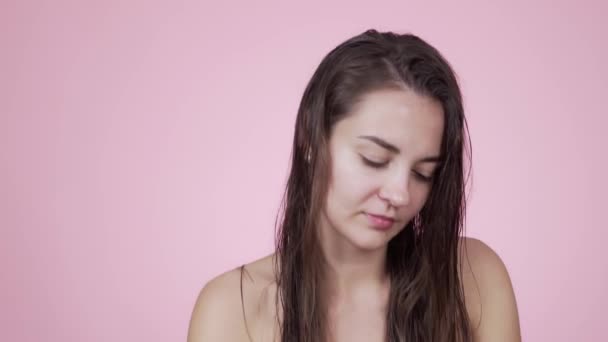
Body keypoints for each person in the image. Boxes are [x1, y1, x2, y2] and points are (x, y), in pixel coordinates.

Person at [187, 29, 521, 342]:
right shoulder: (234, 309)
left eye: (423, 172)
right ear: (311, 144)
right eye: (374, 159)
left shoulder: (472, 279)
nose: (400, 194)